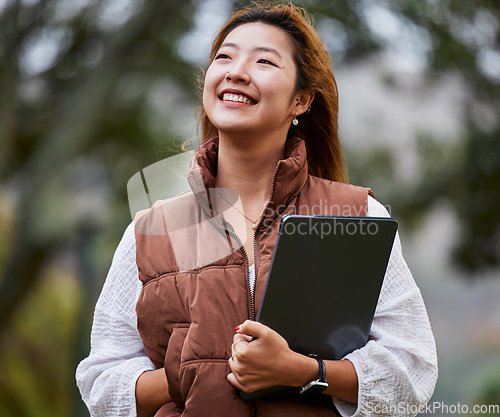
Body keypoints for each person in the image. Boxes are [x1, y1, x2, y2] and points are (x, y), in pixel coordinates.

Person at [76, 2, 438, 417]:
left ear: (300, 100)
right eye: (224, 57)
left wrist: (303, 371)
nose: (236, 71)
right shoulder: (149, 230)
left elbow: (413, 369)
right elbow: (101, 382)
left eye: (263, 61)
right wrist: (189, 372)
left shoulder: (358, 216)